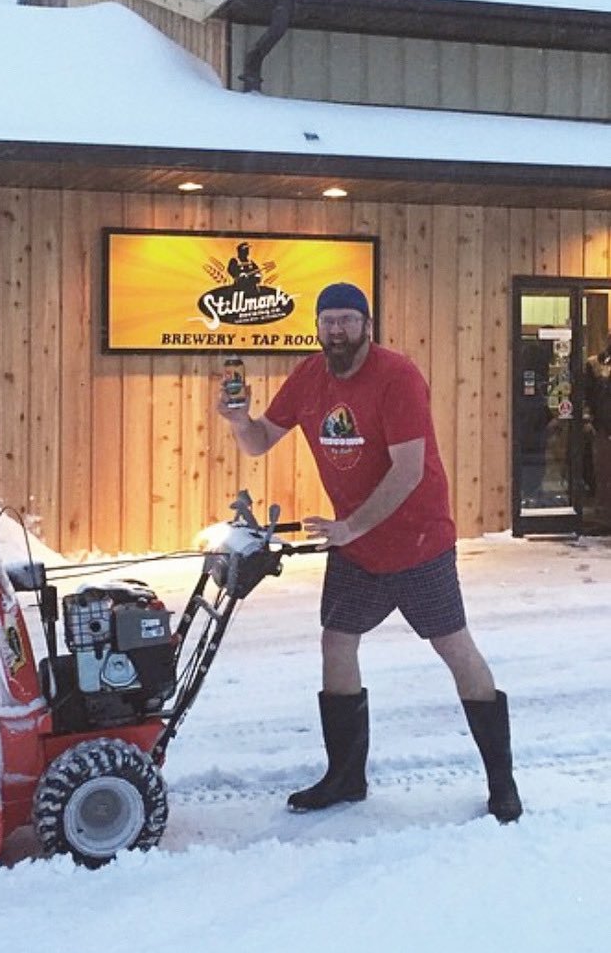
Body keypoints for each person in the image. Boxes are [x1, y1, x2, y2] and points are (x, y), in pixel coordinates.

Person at [217, 282, 522, 823]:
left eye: (346, 320)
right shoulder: (309, 376)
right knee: (337, 645)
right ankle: (345, 778)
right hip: (356, 546)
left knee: (455, 650)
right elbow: (262, 439)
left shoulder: (397, 376)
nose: (336, 330)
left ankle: (502, 782)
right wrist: (240, 420)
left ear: (367, 326)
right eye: (327, 320)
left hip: (418, 542)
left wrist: (349, 527)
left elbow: (407, 471)